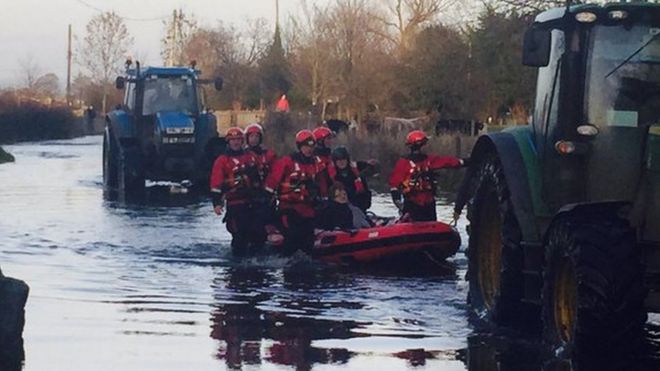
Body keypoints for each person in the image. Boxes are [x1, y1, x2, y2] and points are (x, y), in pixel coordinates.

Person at [265, 130, 328, 254]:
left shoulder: (317, 164)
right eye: (306, 146)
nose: (309, 149)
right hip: (288, 208)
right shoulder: (287, 162)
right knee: (292, 237)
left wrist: (324, 200)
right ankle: (285, 262)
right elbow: (273, 181)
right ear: (300, 147)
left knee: (308, 241)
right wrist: (266, 199)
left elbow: (322, 184)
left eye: (311, 146)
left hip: (308, 209)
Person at [388, 130, 465, 222]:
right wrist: (398, 202)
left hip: (426, 203)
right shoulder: (421, 162)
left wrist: (465, 162)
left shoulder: (423, 161)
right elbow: (394, 185)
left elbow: (447, 162)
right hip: (414, 203)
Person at [210, 127, 264, 256]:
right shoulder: (222, 161)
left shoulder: (251, 157)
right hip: (235, 204)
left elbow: (260, 178)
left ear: (242, 141)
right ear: (228, 142)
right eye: (233, 140)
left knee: (258, 234)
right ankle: (237, 267)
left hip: (252, 203)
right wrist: (217, 203)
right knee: (239, 235)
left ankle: (255, 263)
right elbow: (216, 183)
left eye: (238, 140)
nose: (236, 142)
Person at [327, 146, 371, 212]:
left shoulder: (356, 172)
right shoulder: (330, 176)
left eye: (343, 159)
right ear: (335, 162)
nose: (341, 162)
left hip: (358, 208)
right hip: (338, 210)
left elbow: (365, 191)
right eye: (338, 160)